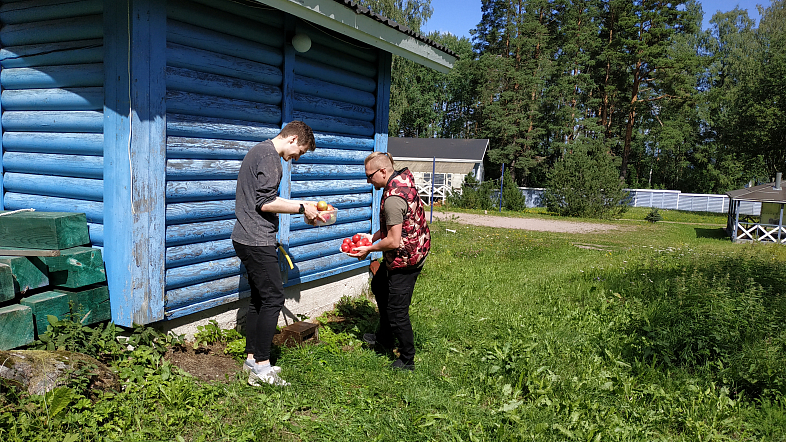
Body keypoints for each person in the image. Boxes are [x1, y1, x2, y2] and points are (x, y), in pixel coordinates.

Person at [231, 121, 321, 386]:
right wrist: (303, 207)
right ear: (293, 139)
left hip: (246, 237)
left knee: (260, 299)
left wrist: (302, 206)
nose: (297, 157)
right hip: (257, 240)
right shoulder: (271, 157)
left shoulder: (258, 151)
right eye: (300, 151)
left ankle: (251, 358)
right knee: (273, 299)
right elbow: (266, 202)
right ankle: (262, 366)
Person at [349, 152, 431, 370]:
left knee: (397, 311)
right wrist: (372, 237)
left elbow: (394, 241)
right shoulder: (401, 180)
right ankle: (385, 339)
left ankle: (407, 359)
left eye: (369, 176)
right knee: (379, 285)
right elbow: (396, 225)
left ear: (383, 171)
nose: (368, 181)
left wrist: (368, 248)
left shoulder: (393, 199)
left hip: (406, 259)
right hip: (414, 247)